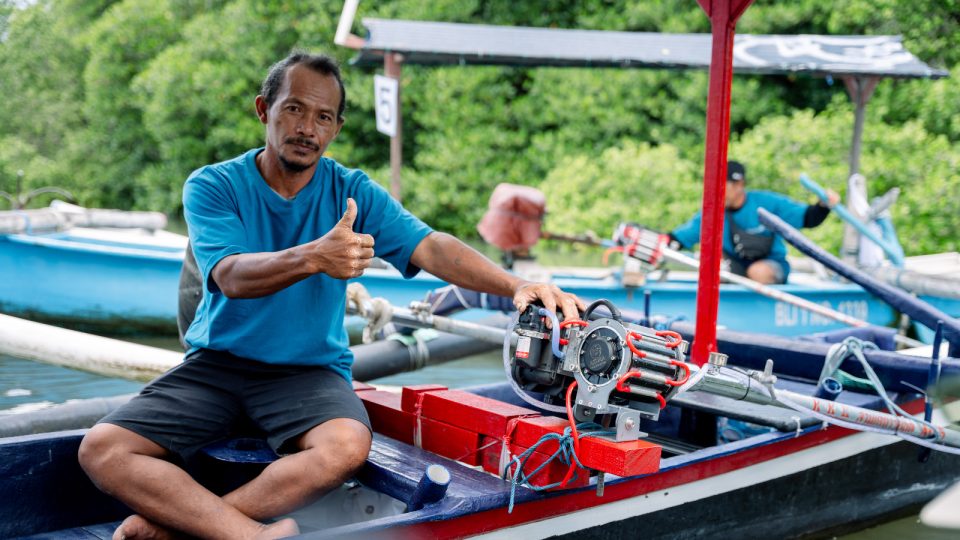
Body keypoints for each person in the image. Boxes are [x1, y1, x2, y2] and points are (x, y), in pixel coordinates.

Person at [78, 52, 584, 540]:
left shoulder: (351, 190)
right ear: (264, 110)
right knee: (102, 449)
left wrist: (517, 285)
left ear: (336, 128)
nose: (307, 128)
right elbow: (230, 275)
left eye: (324, 117)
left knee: (345, 447)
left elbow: (431, 246)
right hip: (218, 365)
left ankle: (179, 527)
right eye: (294, 109)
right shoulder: (214, 185)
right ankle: (248, 535)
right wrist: (316, 256)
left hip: (307, 372)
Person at [669, 160, 839, 284]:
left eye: (722, 185)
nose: (715, 191)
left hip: (771, 267)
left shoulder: (765, 203)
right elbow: (679, 238)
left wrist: (824, 205)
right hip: (733, 269)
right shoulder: (711, 213)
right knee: (711, 271)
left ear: (739, 185)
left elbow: (808, 218)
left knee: (757, 272)